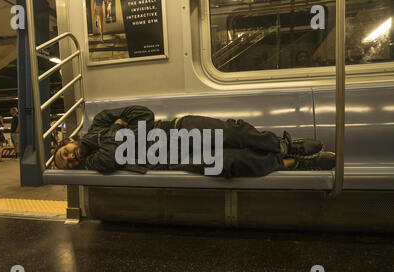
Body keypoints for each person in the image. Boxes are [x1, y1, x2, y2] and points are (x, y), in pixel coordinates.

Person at [53, 106, 335, 177]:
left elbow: (144, 114)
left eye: (64, 153)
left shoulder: (98, 123)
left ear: (69, 141)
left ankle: (287, 145)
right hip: (170, 159)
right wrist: (121, 128)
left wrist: (114, 132)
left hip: (176, 129)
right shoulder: (94, 162)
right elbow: (115, 155)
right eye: (66, 163)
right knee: (227, 164)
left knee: (232, 131)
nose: (69, 158)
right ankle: (287, 162)